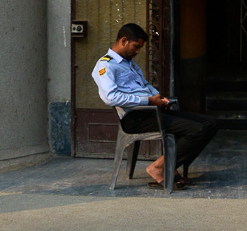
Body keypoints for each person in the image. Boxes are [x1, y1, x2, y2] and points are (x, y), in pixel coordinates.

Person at [93, 22, 220, 186]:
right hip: (135, 117)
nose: (138, 51)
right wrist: (148, 100)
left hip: (152, 111)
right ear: (124, 41)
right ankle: (159, 167)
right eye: (136, 46)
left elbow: (145, 85)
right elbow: (110, 98)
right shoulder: (105, 65)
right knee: (197, 130)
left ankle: (169, 165)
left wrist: (158, 98)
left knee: (210, 123)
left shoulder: (129, 63)